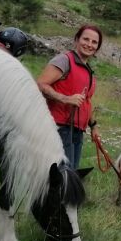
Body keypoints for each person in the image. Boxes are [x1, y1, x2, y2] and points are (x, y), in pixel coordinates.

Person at [37, 24, 102, 169]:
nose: (89, 44)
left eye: (94, 42)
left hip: (77, 132)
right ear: (77, 40)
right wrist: (65, 98)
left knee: (70, 174)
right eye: (86, 39)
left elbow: (86, 102)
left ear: (97, 47)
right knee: (61, 177)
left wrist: (94, 126)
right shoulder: (64, 61)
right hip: (59, 128)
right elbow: (40, 84)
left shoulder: (88, 71)